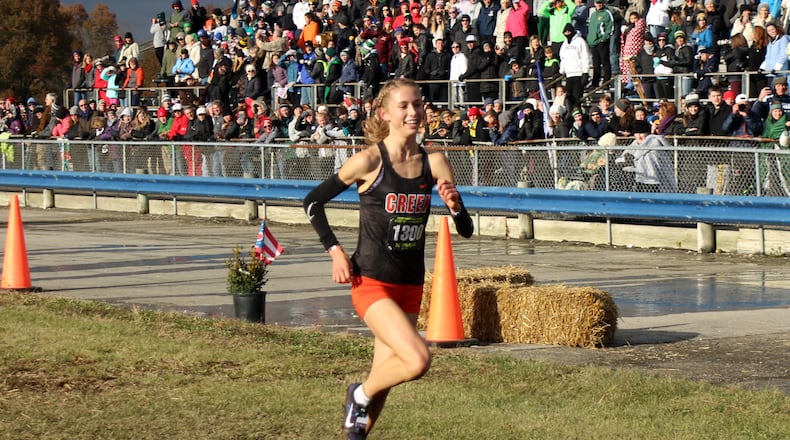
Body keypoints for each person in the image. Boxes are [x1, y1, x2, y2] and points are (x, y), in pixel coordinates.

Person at [302, 78, 473, 439]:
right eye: (404, 106)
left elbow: (467, 229)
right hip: (371, 280)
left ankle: (357, 428)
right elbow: (313, 201)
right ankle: (358, 393)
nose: (414, 112)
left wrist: (456, 207)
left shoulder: (435, 162)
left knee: (384, 377)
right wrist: (335, 251)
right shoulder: (369, 160)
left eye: (418, 104)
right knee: (418, 360)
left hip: (410, 284)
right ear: (385, 114)